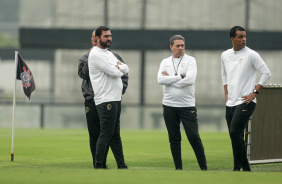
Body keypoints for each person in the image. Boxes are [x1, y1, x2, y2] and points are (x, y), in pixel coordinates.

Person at [221, 26, 271, 171]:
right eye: (240, 37)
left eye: (245, 37)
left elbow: (266, 73)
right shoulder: (225, 55)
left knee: (234, 132)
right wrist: (226, 95)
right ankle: (243, 168)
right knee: (235, 135)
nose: (244, 39)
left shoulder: (251, 54)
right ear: (232, 39)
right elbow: (224, 76)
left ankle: (238, 168)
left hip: (246, 101)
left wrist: (255, 92)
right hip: (230, 102)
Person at [78, 29, 128, 169]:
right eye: (105, 36)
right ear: (95, 39)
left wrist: (121, 88)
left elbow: (125, 71)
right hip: (95, 98)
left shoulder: (112, 54)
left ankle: (121, 164)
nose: (109, 38)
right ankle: (99, 163)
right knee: (98, 133)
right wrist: (117, 70)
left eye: (110, 36)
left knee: (113, 133)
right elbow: (84, 74)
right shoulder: (88, 56)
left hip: (114, 97)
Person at [157, 35, 208, 170]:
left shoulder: (191, 60)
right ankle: (178, 169)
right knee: (174, 139)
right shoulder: (165, 62)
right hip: (169, 106)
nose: (180, 48)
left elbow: (190, 80)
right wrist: (180, 77)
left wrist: (171, 80)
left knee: (194, 137)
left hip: (187, 106)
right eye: (177, 46)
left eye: (182, 45)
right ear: (171, 47)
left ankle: (204, 168)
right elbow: (160, 80)